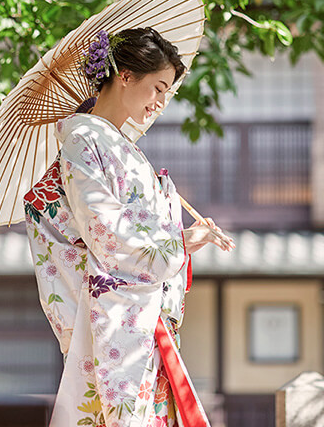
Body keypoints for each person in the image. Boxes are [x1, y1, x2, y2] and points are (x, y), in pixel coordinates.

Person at [24, 27, 235, 427]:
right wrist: (183, 241)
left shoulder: (118, 144)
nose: (161, 102)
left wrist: (171, 212)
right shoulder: (82, 138)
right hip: (121, 314)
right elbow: (106, 233)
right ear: (125, 76)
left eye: (167, 93)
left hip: (141, 313)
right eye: (158, 87)